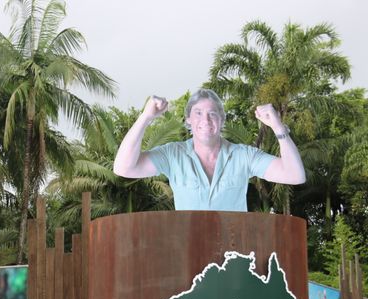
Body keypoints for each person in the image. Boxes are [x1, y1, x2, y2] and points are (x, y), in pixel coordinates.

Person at [113, 89, 306, 211]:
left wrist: (278, 127)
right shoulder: (172, 154)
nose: (205, 121)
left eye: (212, 114)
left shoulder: (245, 155)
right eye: (198, 113)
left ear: (221, 120)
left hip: (233, 258)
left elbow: (295, 175)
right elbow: (124, 168)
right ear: (188, 119)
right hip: (188, 258)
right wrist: (146, 117)